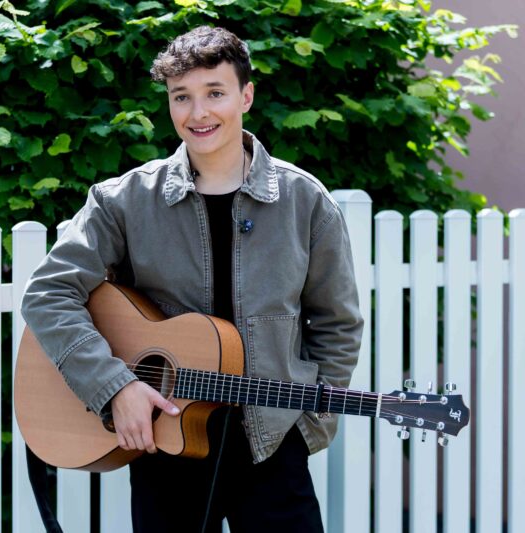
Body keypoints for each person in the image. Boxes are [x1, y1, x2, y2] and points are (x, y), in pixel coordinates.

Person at [21, 25, 363, 533]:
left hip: (271, 446)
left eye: (215, 93)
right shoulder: (124, 201)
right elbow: (49, 293)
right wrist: (114, 387)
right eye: (181, 96)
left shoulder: (305, 202)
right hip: (165, 448)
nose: (198, 113)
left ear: (246, 96)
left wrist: (307, 427)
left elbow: (337, 324)